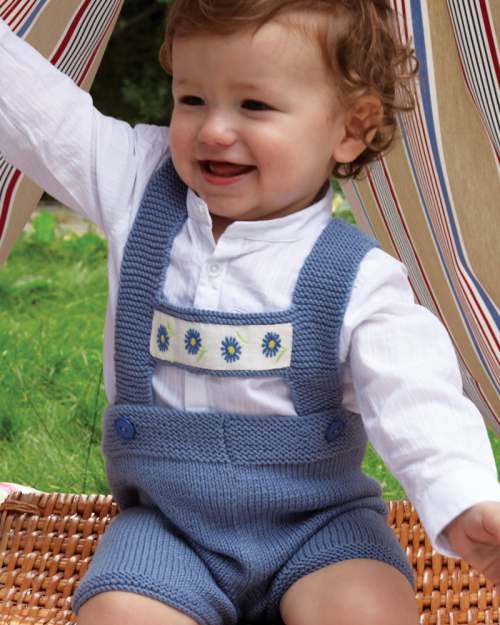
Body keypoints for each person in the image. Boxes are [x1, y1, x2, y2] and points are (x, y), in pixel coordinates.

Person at [0, 1, 499, 624]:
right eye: (191, 99)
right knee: (118, 613)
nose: (213, 130)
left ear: (351, 127)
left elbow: (417, 397)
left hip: (321, 528)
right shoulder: (136, 184)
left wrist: (467, 498)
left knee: (367, 608)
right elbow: (37, 112)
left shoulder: (357, 278)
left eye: (255, 105)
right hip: (168, 529)